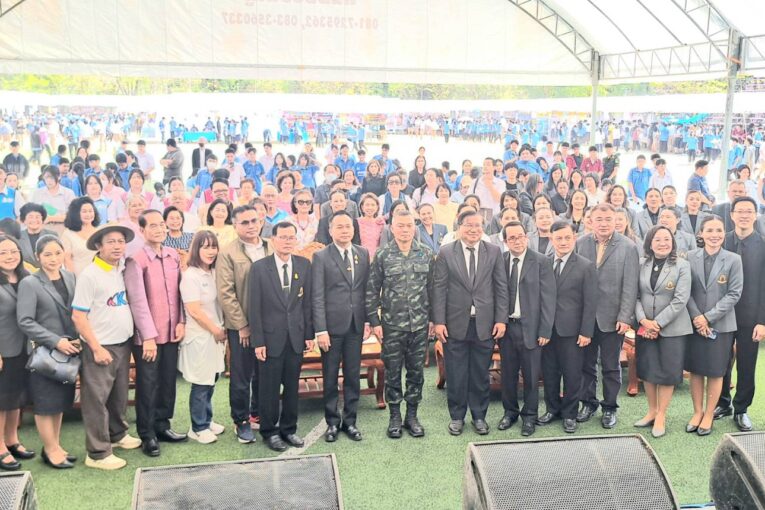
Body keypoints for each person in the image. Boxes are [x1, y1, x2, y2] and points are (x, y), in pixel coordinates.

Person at [72, 224, 142, 470]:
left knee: (118, 396)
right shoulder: (90, 275)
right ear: (98, 246)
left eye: (121, 241)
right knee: (96, 400)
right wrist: (96, 347)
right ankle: (98, 453)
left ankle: (117, 434)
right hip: (100, 346)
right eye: (111, 242)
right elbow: (78, 316)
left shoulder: (120, 269)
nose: (117, 246)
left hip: (122, 343)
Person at [433, 210, 509, 436]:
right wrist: (439, 321)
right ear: (459, 227)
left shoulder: (493, 251)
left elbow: (501, 288)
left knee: (480, 373)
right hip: (454, 323)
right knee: (456, 373)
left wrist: (501, 319)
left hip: (484, 324)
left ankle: (479, 416)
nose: (474, 229)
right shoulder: (446, 252)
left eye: (478, 225)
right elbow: (439, 289)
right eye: (469, 225)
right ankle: (457, 417)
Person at [366, 209, 434, 438]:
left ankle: (411, 416)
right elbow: (372, 290)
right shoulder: (383, 255)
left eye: (409, 225)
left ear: (414, 227)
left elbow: (433, 289)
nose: (405, 230)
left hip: (419, 325)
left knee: (416, 372)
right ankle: (394, 416)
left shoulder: (426, 253)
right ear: (392, 228)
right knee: (392, 372)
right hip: (392, 325)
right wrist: (374, 322)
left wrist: (434, 319)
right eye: (400, 226)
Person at [124, 210, 187, 457]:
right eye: (153, 226)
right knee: (148, 384)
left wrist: (181, 321)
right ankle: (147, 433)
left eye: (162, 225)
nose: (159, 229)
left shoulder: (173, 255)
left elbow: (180, 292)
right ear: (142, 230)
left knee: (168, 381)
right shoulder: (136, 260)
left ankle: (162, 425)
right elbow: (137, 301)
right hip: (147, 337)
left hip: (171, 331)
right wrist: (148, 337)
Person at [248, 222, 314, 452]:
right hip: (270, 339)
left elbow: (307, 304)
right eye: (283, 237)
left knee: (292, 387)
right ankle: (270, 431)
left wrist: (308, 334)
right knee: (269, 388)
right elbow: (254, 308)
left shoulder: (304, 265)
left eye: (291, 237)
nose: (287, 241)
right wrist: (258, 341)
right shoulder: (259, 268)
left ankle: (289, 429)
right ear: (273, 240)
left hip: (295, 337)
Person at [16, 236, 78, 468]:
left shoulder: (70, 277)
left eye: (57, 253)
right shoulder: (30, 283)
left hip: (69, 351)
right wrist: (55, 341)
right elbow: (25, 320)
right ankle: (50, 450)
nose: (53, 258)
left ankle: (55, 445)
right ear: (37, 257)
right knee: (45, 402)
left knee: (60, 401)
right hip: (45, 353)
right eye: (47, 254)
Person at [575, 203, 639, 429]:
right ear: (591, 221)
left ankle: (610, 407)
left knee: (611, 366)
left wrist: (625, 316)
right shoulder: (580, 243)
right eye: (599, 219)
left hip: (613, 317)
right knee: (586, 364)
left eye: (608, 219)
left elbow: (630, 285)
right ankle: (588, 402)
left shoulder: (628, 247)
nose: (603, 223)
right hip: (585, 317)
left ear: (616, 221)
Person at [312, 211, 370, 442]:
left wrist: (367, 320)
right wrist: (321, 330)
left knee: (353, 375)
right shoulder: (321, 256)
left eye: (348, 226)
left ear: (354, 229)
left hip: (356, 325)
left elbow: (366, 290)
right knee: (330, 376)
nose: (345, 230)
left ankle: (350, 421)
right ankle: (332, 423)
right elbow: (317, 296)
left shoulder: (362, 253)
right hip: (331, 328)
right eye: (340, 227)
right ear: (330, 230)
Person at [216, 206, 271, 444]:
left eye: (254, 221)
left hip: (270, 324)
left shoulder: (271, 246)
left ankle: (258, 413)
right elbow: (226, 293)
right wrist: (242, 325)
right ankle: (241, 420)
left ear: (261, 222)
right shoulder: (228, 253)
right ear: (235, 225)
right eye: (244, 222)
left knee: (265, 373)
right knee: (241, 376)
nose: (251, 226)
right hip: (242, 327)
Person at [496, 221, 555, 437]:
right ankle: (510, 412)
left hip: (531, 328)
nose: (517, 241)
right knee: (508, 374)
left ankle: (529, 416)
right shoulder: (500, 261)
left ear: (526, 237)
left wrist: (545, 330)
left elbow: (549, 299)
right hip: (507, 328)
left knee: (531, 376)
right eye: (512, 238)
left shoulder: (541, 261)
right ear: (505, 241)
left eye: (520, 236)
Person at [685, 215, 743, 436]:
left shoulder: (734, 260)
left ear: (724, 233)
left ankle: (709, 414)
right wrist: (697, 317)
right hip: (694, 324)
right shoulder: (689, 257)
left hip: (721, 325)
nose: (714, 235)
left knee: (716, 371)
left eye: (719, 230)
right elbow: (685, 291)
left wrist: (707, 318)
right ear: (701, 233)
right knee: (696, 370)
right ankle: (697, 412)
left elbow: (734, 294)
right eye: (709, 230)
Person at [634, 226, 693, 438]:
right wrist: (643, 321)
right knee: (648, 370)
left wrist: (656, 324)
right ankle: (651, 411)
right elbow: (635, 296)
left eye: (666, 239)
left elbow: (680, 299)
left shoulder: (682, 265)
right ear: (650, 243)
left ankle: (661, 415)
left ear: (673, 242)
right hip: (645, 326)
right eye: (657, 239)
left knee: (668, 373)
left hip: (672, 328)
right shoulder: (641, 264)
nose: (662, 243)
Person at [539, 222, 597, 434]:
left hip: (572, 331)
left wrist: (586, 331)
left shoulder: (585, 266)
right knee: (549, 372)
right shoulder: (543, 263)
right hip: (547, 330)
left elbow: (590, 302)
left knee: (572, 374)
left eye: (567, 238)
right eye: (558, 238)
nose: (563, 242)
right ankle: (552, 409)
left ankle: (569, 414)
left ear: (574, 238)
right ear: (551, 239)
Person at [714, 197, 765, 431]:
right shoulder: (721, 241)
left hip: (750, 317)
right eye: (740, 211)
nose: (744, 215)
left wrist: (762, 321)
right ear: (732, 215)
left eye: (749, 211)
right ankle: (722, 402)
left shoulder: (763, 245)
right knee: (720, 362)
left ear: (755, 215)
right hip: (721, 314)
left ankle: (742, 409)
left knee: (746, 364)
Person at [178, 231, 226, 444]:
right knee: (201, 382)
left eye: (213, 246)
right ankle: (198, 427)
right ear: (196, 249)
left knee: (211, 378)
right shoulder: (191, 275)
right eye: (205, 247)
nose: (210, 251)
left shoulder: (214, 272)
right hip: (200, 335)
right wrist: (215, 330)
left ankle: (207, 419)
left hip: (215, 335)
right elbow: (195, 311)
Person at [0, 235, 32, 471]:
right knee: (1, 400)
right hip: (3, 350)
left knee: (15, 398)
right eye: (3, 253)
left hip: (24, 348)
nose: (9, 256)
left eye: (13, 251)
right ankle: (0, 447)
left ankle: (12, 440)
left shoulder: (26, 277)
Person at [61, 196, 99, 276]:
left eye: (90, 211)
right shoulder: (68, 234)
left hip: (98, 275)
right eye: (84, 211)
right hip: (79, 275)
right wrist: (72, 279)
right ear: (76, 214)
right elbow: (67, 260)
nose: (88, 214)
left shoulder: (99, 231)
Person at [31, 165, 75, 232]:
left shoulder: (68, 193)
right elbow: (32, 213)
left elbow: (72, 215)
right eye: (46, 177)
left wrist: (50, 218)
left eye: (51, 177)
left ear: (59, 177)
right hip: (42, 230)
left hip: (63, 229)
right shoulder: (37, 193)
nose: (49, 180)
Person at [18, 203, 57, 270]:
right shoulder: (18, 237)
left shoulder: (52, 235)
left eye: (37, 217)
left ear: (42, 219)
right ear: (24, 220)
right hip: (26, 274)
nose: (34, 220)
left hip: (49, 271)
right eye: (30, 217)